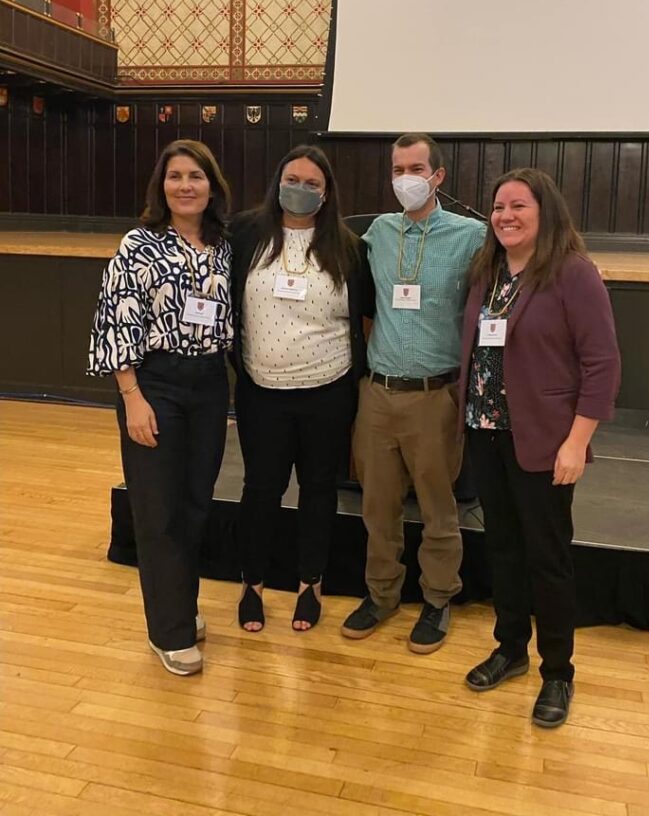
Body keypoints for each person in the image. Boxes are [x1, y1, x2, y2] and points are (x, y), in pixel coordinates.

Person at [457, 167, 620, 728]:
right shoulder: (488, 272)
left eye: (518, 206)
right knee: (503, 548)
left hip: (546, 442)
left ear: (545, 212)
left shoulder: (573, 274)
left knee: (547, 559)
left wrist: (577, 442)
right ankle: (510, 649)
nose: (505, 215)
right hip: (485, 432)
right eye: (498, 206)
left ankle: (558, 672)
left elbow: (602, 365)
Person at [88, 139, 233, 677]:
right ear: (162, 186)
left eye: (196, 175)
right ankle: (167, 632)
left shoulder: (223, 244)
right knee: (157, 510)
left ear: (212, 185)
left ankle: (181, 606)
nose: (186, 185)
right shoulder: (139, 245)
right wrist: (133, 399)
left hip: (210, 385)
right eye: (175, 176)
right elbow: (115, 321)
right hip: (155, 384)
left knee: (195, 504)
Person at [342, 133, 486, 653]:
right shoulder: (378, 232)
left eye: (417, 167)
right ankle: (380, 595)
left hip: (434, 397)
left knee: (436, 507)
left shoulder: (472, 236)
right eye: (398, 168)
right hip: (377, 394)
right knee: (377, 506)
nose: (407, 178)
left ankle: (438, 598)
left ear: (438, 176)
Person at [230, 145, 373, 633]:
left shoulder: (350, 248)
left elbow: (364, 318)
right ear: (277, 181)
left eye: (313, 183)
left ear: (327, 192)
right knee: (260, 489)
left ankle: (310, 584)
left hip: (327, 391)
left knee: (318, 491)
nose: (301, 189)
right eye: (293, 178)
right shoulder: (245, 234)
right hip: (261, 390)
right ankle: (252, 584)